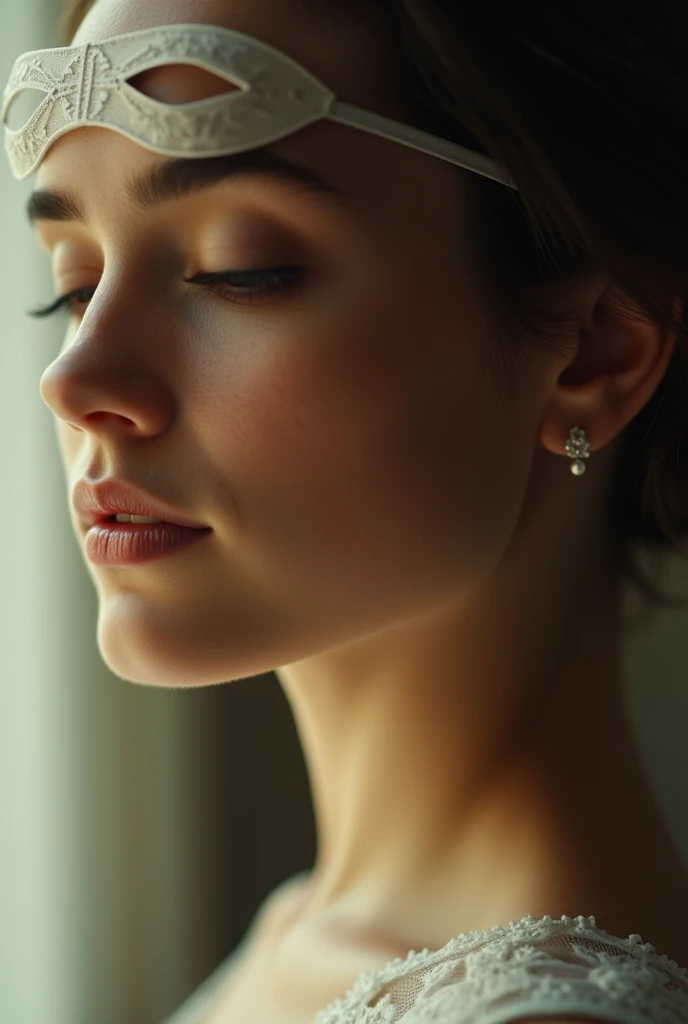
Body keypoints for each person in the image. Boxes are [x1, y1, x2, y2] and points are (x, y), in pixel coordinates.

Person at [6, 0, 688, 1021]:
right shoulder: (315, 929)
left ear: (593, 348)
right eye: (74, 283)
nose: (77, 376)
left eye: (239, 269)